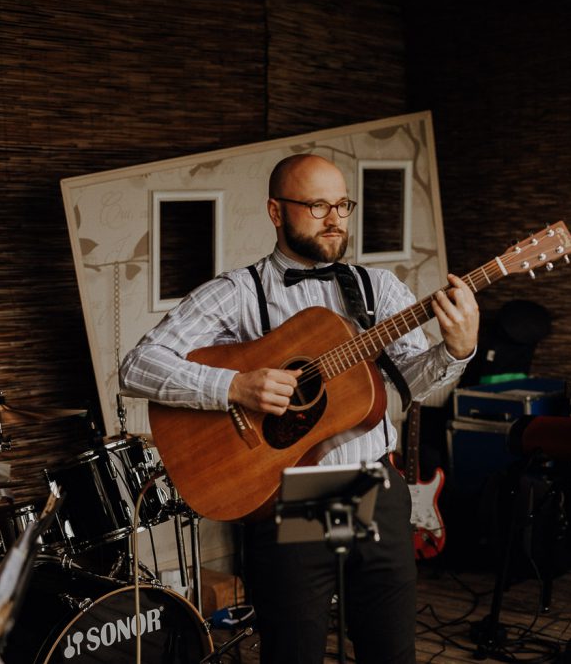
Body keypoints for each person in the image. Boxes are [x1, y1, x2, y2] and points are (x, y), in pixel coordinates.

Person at [120, 153, 479, 664]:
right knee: (295, 649)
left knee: (390, 649)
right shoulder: (237, 293)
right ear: (275, 211)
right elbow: (138, 366)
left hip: (373, 486)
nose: (334, 218)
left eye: (342, 205)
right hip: (289, 496)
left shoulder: (380, 289)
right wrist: (234, 386)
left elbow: (413, 383)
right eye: (316, 206)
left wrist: (455, 350)